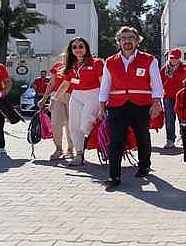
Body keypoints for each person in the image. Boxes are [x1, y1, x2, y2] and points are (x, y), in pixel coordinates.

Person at [99, 26, 163, 188]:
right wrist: (101, 106)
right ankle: (114, 176)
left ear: (137, 41)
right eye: (123, 38)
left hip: (141, 105)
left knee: (142, 137)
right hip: (116, 106)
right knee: (116, 140)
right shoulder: (110, 61)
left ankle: (144, 166)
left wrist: (156, 102)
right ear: (118, 41)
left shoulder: (149, 59)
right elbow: (105, 85)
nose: (127, 41)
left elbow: (157, 83)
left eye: (130, 38)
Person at [56, 37, 103, 166]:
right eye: (74, 47)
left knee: (85, 123)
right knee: (74, 126)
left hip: (93, 94)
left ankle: (101, 142)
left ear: (86, 48)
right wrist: (54, 99)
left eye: (81, 46)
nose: (78, 49)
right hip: (76, 95)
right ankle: (79, 154)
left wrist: (104, 101)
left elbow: (102, 82)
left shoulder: (97, 62)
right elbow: (65, 84)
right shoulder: (71, 65)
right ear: (71, 50)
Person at [37, 54, 74, 160]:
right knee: (56, 123)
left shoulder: (76, 66)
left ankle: (70, 149)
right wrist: (44, 99)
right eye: (65, 56)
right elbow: (51, 84)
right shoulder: (57, 66)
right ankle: (58, 149)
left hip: (71, 95)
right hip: (56, 96)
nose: (65, 58)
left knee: (70, 124)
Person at [160, 48, 186, 148]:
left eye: (175, 58)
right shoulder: (163, 69)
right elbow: (159, 83)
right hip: (168, 97)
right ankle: (170, 140)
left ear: (179, 58)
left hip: (182, 97)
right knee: (169, 119)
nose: (173, 60)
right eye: (171, 58)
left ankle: (184, 138)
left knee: (183, 118)